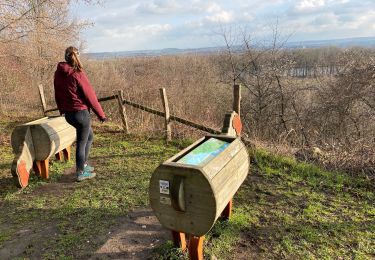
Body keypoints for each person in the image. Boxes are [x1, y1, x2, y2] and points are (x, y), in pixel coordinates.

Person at [54, 46, 106, 182]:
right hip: (81, 114)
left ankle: (83, 165)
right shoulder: (78, 73)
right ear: (77, 57)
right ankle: (81, 172)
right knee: (82, 143)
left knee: (89, 137)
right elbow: (91, 97)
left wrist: (62, 110)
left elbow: (57, 94)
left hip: (69, 115)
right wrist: (101, 114)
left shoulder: (58, 73)